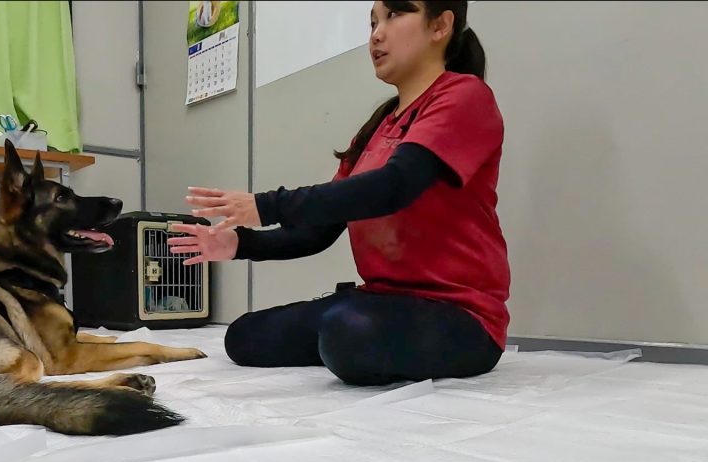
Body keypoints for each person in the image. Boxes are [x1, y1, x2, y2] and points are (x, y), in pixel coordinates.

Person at [167, 0, 510, 386]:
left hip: (461, 317)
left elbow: (393, 187)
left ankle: (346, 333)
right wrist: (237, 244)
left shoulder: (466, 97)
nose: (376, 34)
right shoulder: (378, 126)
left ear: (440, 25)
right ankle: (347, 331)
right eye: (372, 22)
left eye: (395, 15)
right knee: (243, 337)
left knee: (346, 331)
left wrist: (266, 205)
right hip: (380, 302)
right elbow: (317, 231)